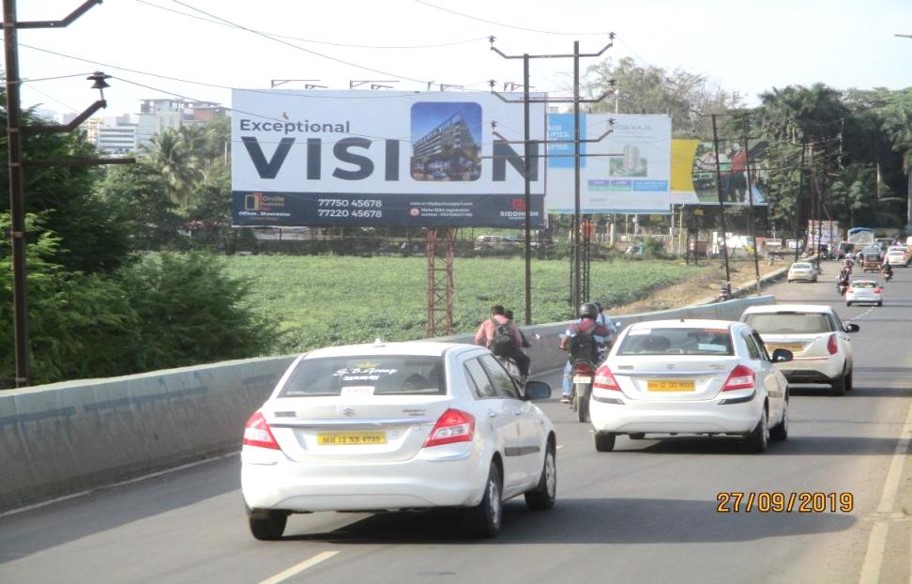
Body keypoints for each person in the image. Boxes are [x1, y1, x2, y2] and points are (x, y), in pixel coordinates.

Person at [558, 302, 613, 404]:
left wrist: (563, 347)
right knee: (604, 374)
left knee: (568, 372)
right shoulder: (602, 329)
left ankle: (565, 394)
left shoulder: (573, 327)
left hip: (576, 359)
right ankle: (603, 394)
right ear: (595, 314)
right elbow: (610, 344)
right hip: (596, 360)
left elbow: (564, 342)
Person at [474, 305, 530, 382]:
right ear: (503, 313)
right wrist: (517, 349)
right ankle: (523, 378)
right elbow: (519, 341)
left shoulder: (486, 323)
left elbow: (478, 339)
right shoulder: (510, 323)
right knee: (524, 359)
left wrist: (484, 345)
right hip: (510, 350)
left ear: (491, 314)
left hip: (493, 350)